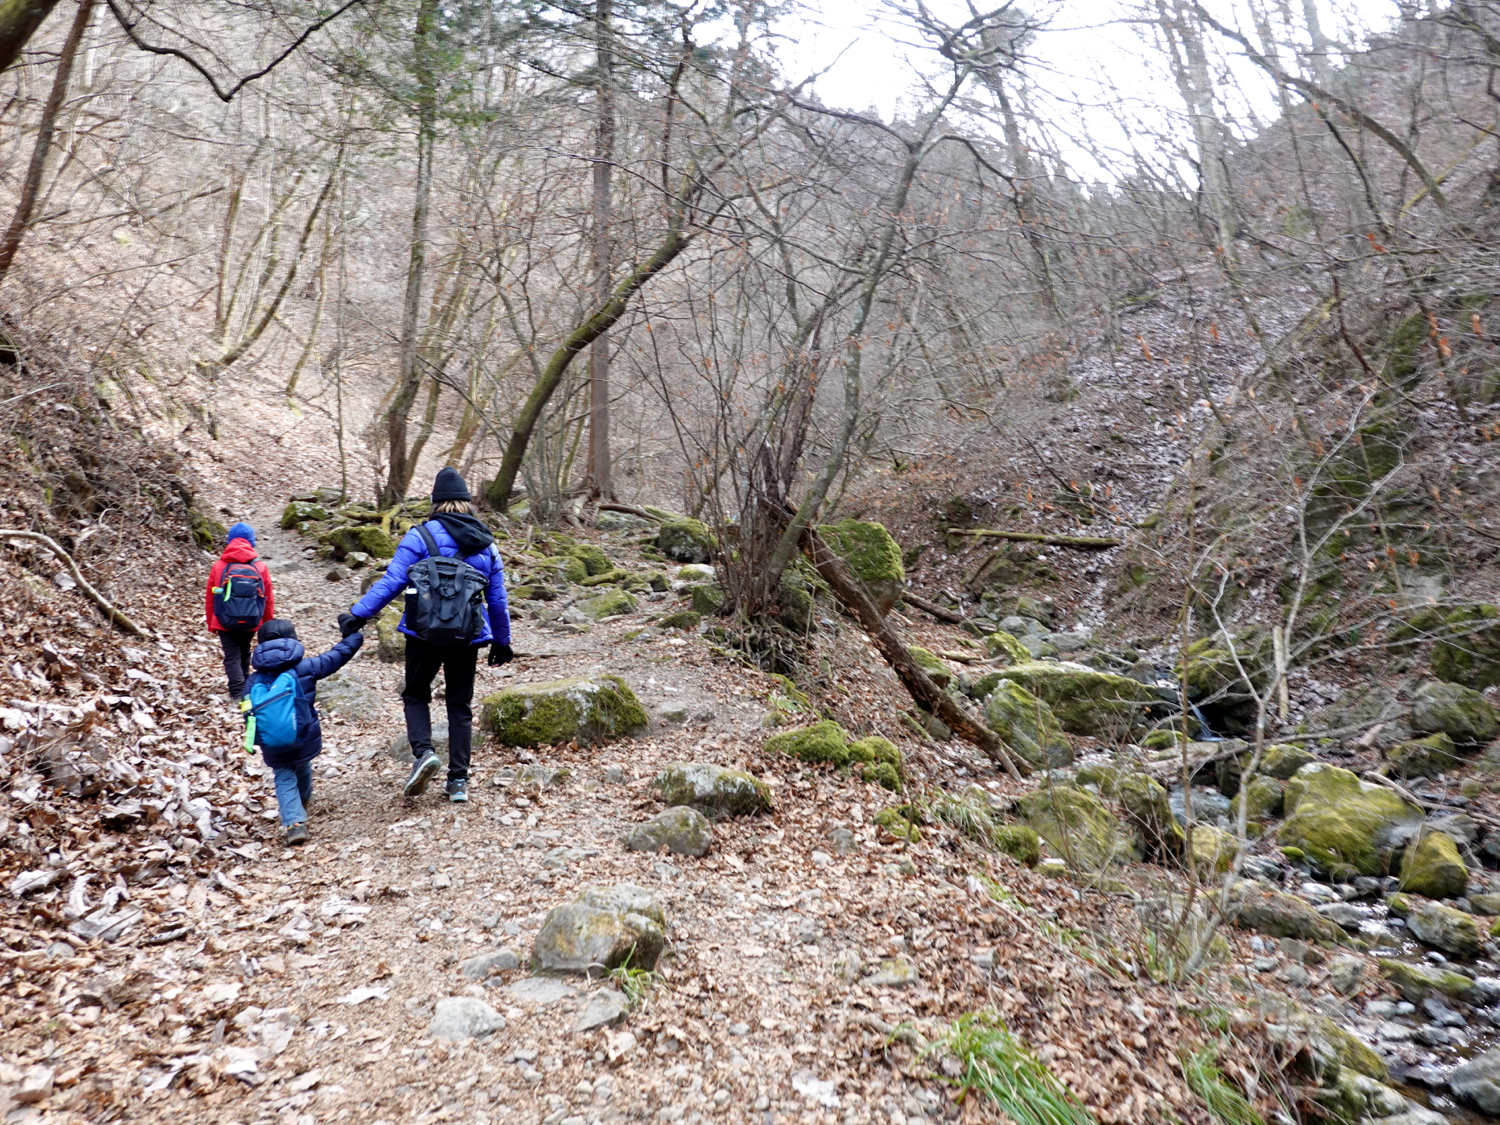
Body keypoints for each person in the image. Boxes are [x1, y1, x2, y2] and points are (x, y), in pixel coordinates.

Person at [343, 468, 512, 803]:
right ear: (467, 503)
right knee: (459, 706)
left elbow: (392, 581)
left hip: (423, 633)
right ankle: (458, 782)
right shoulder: (487, 545)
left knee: (416, 694)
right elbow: (497, 599)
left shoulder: (420, 536)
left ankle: (423, 754)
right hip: (467, 637)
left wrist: (358, 614)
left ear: (435, 503)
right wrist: (502, 641)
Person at [243, 618, 364, 845]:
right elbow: (337, 656)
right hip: (303, 735)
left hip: (271, 742)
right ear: (294, 640)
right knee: (302, 763)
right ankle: (303, 800)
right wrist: (355, 635)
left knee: (284, 775)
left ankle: (294, 823)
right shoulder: (305, 668)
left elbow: (247, 711)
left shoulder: (253, 680)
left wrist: (256, 738)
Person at [205, 522, 274, 702]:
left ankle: (237, 692)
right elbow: (267, 599)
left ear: (229, 542)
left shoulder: (219, 566)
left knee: (232, 656)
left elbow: (211, 598)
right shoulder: (260, 567)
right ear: (251, 542)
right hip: (252, 619)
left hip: (224, 619)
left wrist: (211, 623)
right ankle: (246, 689)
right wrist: (267, 624)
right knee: (245, 651)